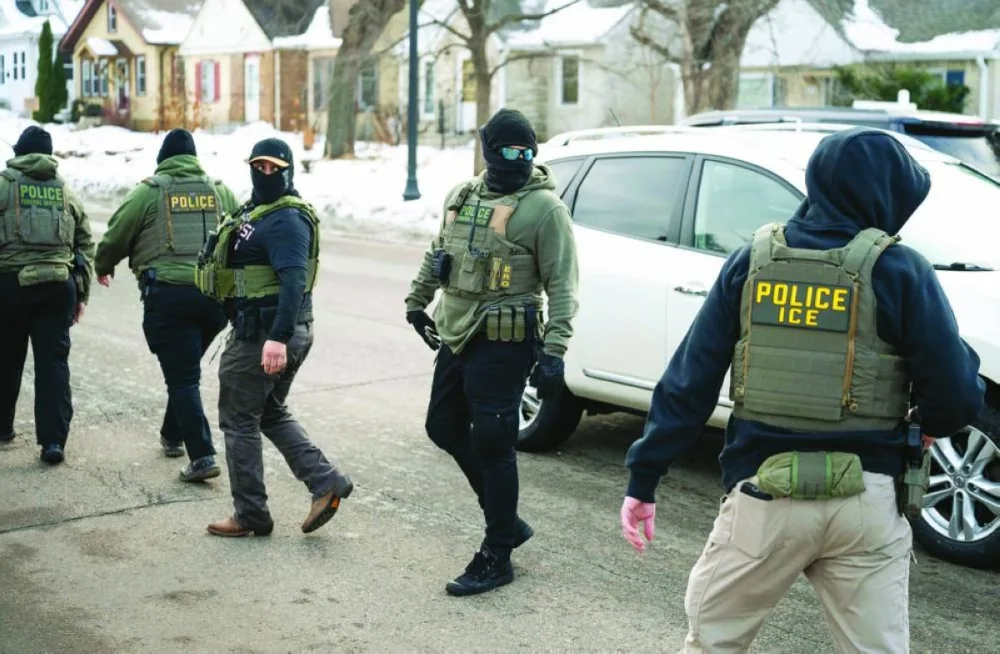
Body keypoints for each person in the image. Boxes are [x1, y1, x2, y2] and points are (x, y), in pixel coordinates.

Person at [620, 127, 985, 652]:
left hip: (762, 499)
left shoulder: (751, 263)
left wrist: (644, 476)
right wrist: (928, 423)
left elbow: (687, 383)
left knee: (713, 643)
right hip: (866, 499)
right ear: (886, 193)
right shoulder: (902, 270)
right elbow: (956, 395)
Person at [404, 108, 579, 596]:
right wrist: (417, 302)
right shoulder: (462, 196)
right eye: (508, 151)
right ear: (488, 149)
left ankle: (497, 552)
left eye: (527, 153)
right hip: (457, 330)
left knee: (494, 443)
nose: (518, 161)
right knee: (442, 426)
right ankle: (508, 519)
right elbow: (439, 253)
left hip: (506, 339)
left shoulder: (544, 210)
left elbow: (564, 287)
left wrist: (554, 352)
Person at [195, 137, 352, 537]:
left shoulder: (285, 220)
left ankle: (250, 514)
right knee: (268, 413)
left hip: (265, 334)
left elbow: (295, 279)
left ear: (289, 171)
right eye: (259, 167)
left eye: (275, 169)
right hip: (267, 331)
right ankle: (325, 482)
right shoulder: (260, 211)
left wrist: (277, 338)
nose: (266, 174)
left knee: (239, 420)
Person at [94, 129, 240, 482]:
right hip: (214, 301)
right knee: (186, 370)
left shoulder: (150, 192)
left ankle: (202, 456)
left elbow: (116, 235)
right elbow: (241, 235)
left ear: (163, 159)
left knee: (183, 376)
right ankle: (172, 434)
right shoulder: (220, 191)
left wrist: (103, 265)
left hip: (170, 297)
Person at [0, 126, 94, 464]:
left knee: (7, 357)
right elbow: (84, 243)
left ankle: (3, 427)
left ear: (20, 153)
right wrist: (81, 293)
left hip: (10, 286)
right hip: (58, 287)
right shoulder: (65, 191)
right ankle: (53, 442)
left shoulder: (4, 184)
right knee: (53, 363)